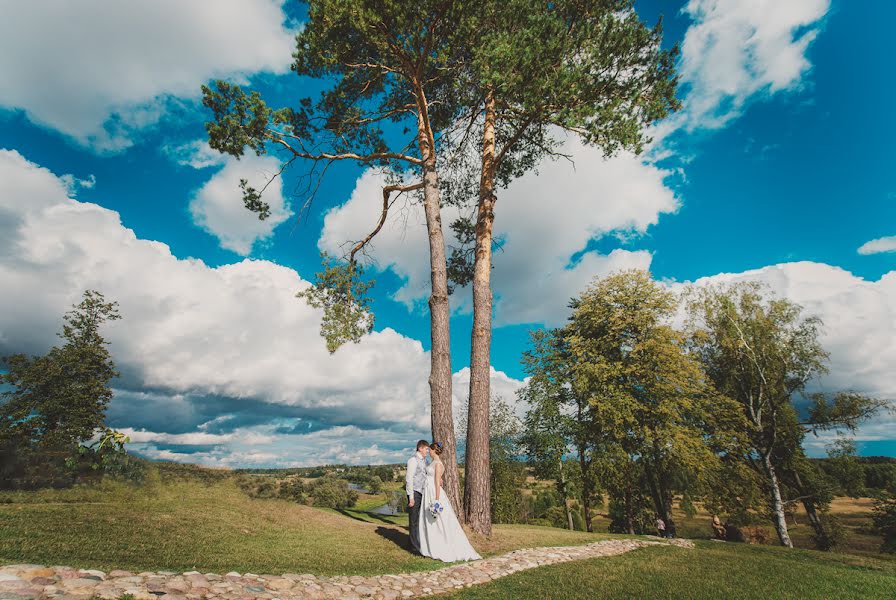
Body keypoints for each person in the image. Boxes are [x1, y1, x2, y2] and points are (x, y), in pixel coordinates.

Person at [418, 441, 481, 562]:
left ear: (434, 450)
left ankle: (440, 547)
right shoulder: (434, 463)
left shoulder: (437, 464)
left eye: (430, 450)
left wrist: (436, 499)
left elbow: (436, 482)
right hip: (428, 490)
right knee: (430, 520)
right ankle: (430, 547)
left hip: (433, 492)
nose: (429, 452)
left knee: (438, 521)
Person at [405, 439, 430, 553]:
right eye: (426, 449)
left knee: (419, 520)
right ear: (420, 448)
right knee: (413, 520)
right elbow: (409, 479)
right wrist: (411, 497)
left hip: (422, 493)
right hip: (414, 493)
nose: (427, 451)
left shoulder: (425, 461)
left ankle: (417, 543)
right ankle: (414, 548)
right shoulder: (413, 460)